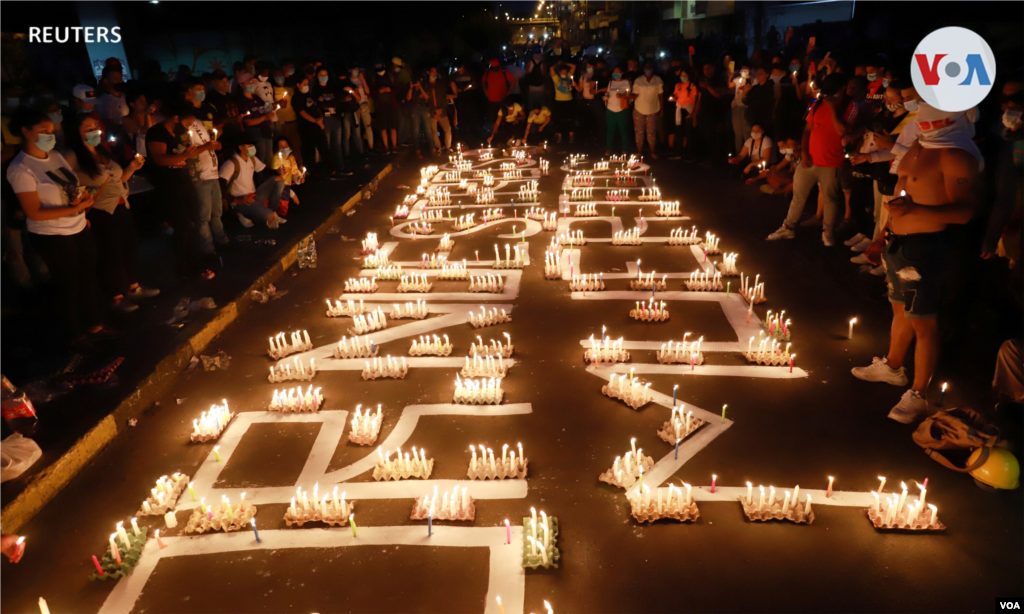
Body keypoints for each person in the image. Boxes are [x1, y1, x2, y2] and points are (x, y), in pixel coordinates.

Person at [851, 102, 982, 423]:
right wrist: (883, 236)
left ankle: (919, 393)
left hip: (926, 248)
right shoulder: (919, 148)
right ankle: (893, 367)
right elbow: (902, 194)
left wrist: (913, 213)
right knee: (900, 309)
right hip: (899, 244)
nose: (922, 117)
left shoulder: (956, 155)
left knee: (924, 321)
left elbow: (965, 211)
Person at [6, 107, 118, 351]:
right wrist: (73, 210)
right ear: (25, 132)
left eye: (51, 130)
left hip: (77, 226)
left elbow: (67, 189)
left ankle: (95, 325)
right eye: (43, 131)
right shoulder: (20, 168)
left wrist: (79, 202)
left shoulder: (55, 156)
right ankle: (74, 335)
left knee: (88, 277)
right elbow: (34, 211)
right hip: (52, 235)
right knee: (68, 284)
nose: (50, 134)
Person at [63, 112, 158, 313]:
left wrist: (132, 167)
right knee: (110, 253)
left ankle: (133, 287)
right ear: (75, 132)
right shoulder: (72, 156)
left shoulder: (102, 151)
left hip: (122, 205)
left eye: (95, 126)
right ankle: (116, 297)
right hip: (100, 210)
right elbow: (67, 183)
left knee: (129, 247)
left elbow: (119, 177)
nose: (94, 131)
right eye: (88, 128)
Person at [766, 73, 848, 246]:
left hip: (831, 161)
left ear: (841, 91)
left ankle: (828, 231)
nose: (827, 96)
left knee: (830, 198)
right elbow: (807, 130)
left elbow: (842, 131)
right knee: (798, 194)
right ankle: (788, 227)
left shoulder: (848, 106)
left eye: (831, 93)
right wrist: (804, 151)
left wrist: (833, 108)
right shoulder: (817, 105)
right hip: (810, 159)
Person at [146, 103, 207, 279]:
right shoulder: (157, 132)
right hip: (168, 186)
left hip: (183, 181)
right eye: (187, 124)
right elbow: (160, 159)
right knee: (182, 227)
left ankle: (196, 261)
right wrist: (184, 156)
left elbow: (185, 154)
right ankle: (183, 267)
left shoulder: (179, 134)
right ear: (176, 118)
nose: (188, 128)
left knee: (194, 221)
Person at [181, 94, 228, 260]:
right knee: (203, 216)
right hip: (199, 175)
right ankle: (208, 250)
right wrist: (207, 146)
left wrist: (214, 144)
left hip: (212, 172)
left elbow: (210, 143)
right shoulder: (182, 128)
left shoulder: (199, 123)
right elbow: (187, 153)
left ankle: (222, 242)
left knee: (217, 213)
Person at [219, 136, 287, 229]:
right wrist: (236, 200)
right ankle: (246, 213)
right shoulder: (230, 164)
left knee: (279, 180)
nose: (253, 148)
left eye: (253, 145)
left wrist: (277, 172)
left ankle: (270, 212)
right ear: (241, 148)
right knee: (268, 218)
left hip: (254, 196)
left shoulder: (252, 159)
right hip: (241, 201)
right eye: (250, 145)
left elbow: (265, 170)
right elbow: (219, 186)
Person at [293, 74, 337, 179]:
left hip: (317, 125)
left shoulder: (309, 95)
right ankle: (313, 174)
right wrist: (316, 121)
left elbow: (317, 107)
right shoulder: (297, 97)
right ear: (298, 85)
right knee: (310, 151)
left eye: (307, 84)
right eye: (304, 84)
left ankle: (331, 170)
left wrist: (320, 118)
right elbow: (302, 113)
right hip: (307, 127)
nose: (306, 86)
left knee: (324, 148)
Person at [237, 73, 276, 166]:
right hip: (255, 132)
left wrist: (270, 113)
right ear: (241, 85)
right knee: (260, 158)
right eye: (248, 83)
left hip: (265, 130)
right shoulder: (242, 101)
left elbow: (266, 110)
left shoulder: (257, 98)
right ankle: (260, 179)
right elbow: (248, 122)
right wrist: (265, 118)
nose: (251, 84)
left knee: (267, 157)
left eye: (252, 82)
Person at [314, 67, 347, 173]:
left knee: (337, 144)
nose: (324, 77)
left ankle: (340, 166)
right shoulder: (316, 89)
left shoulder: (333, 87)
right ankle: (329, 169)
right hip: (325, 119)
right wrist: (327, 103)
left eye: (325, 74)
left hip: (335, 118)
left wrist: (325, 102)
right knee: (326, 144)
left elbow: (337, 102)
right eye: (321, 75)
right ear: (317, 76)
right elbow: (318, 104)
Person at [632, 61, 664, 159]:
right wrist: (627, 96)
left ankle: (652, 152)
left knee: (651, 132)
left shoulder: (658, 80)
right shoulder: (638, 80)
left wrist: (662, 109)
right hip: (639, 109)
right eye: (646, 67)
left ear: (653, 68)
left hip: (653, 109)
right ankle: (639, 151)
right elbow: (635, 94)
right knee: (639, 131)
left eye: (650, 67)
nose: (648, 69)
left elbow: (660, 95)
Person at [272, 67, 300, 165]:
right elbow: (270, 106)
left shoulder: (290, 89)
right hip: (283, 124)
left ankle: (298, 167)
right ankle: (286, 169)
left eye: (281, 75)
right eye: (277, 76)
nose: (280, 78)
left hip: (294, 121)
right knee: (285, 149)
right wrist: (278, 103)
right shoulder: (273, 91)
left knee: (296, 146)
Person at [669, 65, 699, 160]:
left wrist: (692, 114)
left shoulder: (692, 86)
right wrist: (673, 98)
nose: (683, 77)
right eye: (681, 75)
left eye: (685, 75)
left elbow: (694, 101)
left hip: (688, 110)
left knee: (689, 133)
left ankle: (690, 155)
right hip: (679, 109)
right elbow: (676, 95)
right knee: (679, 132)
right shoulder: (678, 85)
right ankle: (678, 153)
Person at [421, 66, 452, 154]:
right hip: (432, 112)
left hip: (441, 111)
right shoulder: (426, 85)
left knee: (447, 129)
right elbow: (426, 99)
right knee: (434, 131)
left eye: (435, 72)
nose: (434, 74)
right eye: (432, 72)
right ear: (428, 73)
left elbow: (443, 97)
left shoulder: (440, 84)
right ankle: (438, 147)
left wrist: (441, 108)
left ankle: (448, 147)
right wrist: (434, 109)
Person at [270, 137, 304, 216]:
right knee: (284, 208)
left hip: (289, 184)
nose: (285, 147)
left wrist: (299, 178)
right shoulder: (276, 159)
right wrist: (292, 194)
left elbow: (294, 171)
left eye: (286, 145)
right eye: (281, 146)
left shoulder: (291, 157)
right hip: (280, 187)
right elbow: (273, 177)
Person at [338, 66, 366, 158]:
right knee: (347, 134)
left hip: (354, 112)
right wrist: (344, 100)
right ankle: (347, 155)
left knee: (357, 134)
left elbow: (359, 98)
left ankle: (361, 152)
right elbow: (337, 100)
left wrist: (351, 91)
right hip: (345, 113)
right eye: (340, 78)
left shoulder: (352, 86)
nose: (343, 80)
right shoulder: (337, 87)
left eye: (344, 78)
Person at [481, 58, 515, 134]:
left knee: (503, 118)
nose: (495, 69)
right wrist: (485, 90)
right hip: (491, 100)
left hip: (502, 100)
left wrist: (509, 91)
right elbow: (483, 80)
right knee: (492, 119)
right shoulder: (487, 73)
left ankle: (502, 134)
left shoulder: (504, 72)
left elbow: (513, 80)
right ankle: (495, 134)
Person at [371, 62, 399, 154]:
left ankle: (394, 147)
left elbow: (397, 88)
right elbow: (371, 92)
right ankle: (386, 148)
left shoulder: (390, 76)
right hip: (380, 107)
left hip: (391, 105)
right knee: (383, 128)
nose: (380, 72)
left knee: (393, 127)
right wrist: (378, 91)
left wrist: (390, 90)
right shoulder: (374, 78)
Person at [604, 67, 631, 155]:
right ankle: (609, 148)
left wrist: (622, 95)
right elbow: (607, 92)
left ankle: (624, 149)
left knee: (623, 130)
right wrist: (606, 97)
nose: (615, 73)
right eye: (614, 71)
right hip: (610, 109)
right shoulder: (611, 82)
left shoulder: (626, 82)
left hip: (621, 109)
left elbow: (628, 94)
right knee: (610, 130)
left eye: (617, 72)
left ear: (622, 73)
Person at [450, 61, 479, 142]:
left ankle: (475, 136)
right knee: (461, 118)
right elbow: (452, 85)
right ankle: (463, 136)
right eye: (458, 68)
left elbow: (475, 85)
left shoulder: (469, 73)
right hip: (460, 99)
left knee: (471, 116)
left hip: (470, 98)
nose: (459, 70)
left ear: (463, 66)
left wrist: (469, 88)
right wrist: (456, 90)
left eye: (460, 68)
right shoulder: (454, 75)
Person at [742, 67, 775, 138]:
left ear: (767, 75)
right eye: (757, 74)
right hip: (751, 119)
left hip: (762, 120)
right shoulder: (754, 88)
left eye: (761, 73)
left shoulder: (769, 88)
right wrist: (744, 93)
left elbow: (766, 104)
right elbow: (745, 101)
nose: (758, 75)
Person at [121, 90, 155, 157]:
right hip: (139, 158)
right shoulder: (127, 120)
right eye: (140, 101)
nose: (145, 104)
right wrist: (147, 114)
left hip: (152, 154)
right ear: (132, 104)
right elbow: (147, 131)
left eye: (145, 101)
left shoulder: (150, 118)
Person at [550, 62, 576, 144]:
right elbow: (551, 68)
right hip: (559, 101)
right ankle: (560, 136)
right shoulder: (556, 78)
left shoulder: (568, 77)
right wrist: (558, 64)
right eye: (563, 72)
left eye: (565, 72)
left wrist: (565, 63)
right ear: (559, 72)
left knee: (570, 118)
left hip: (569, 101)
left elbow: (574, 66)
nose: (564, 74)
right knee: (559, 119)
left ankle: (571, 136)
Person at [730, 64, 753, 155]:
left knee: (747, 133)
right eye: (742, 69)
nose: (744, 71)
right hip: (736, 108)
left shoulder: (753, 80)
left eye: (746, 70)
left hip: (745, 108)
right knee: (738, 135)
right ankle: (738, 156)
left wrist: (746, 91)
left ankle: (748, 155)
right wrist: (729, 76)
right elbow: (729, 85)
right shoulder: (737, 79)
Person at [523, 47, 549, 114]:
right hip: (541, 85)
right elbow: (545, 74)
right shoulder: (543, 63)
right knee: (542, 101)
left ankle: (531, 116)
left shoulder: (529, 62)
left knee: (531, 102)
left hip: (532, 86)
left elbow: (526, 74)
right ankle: (543, 115)